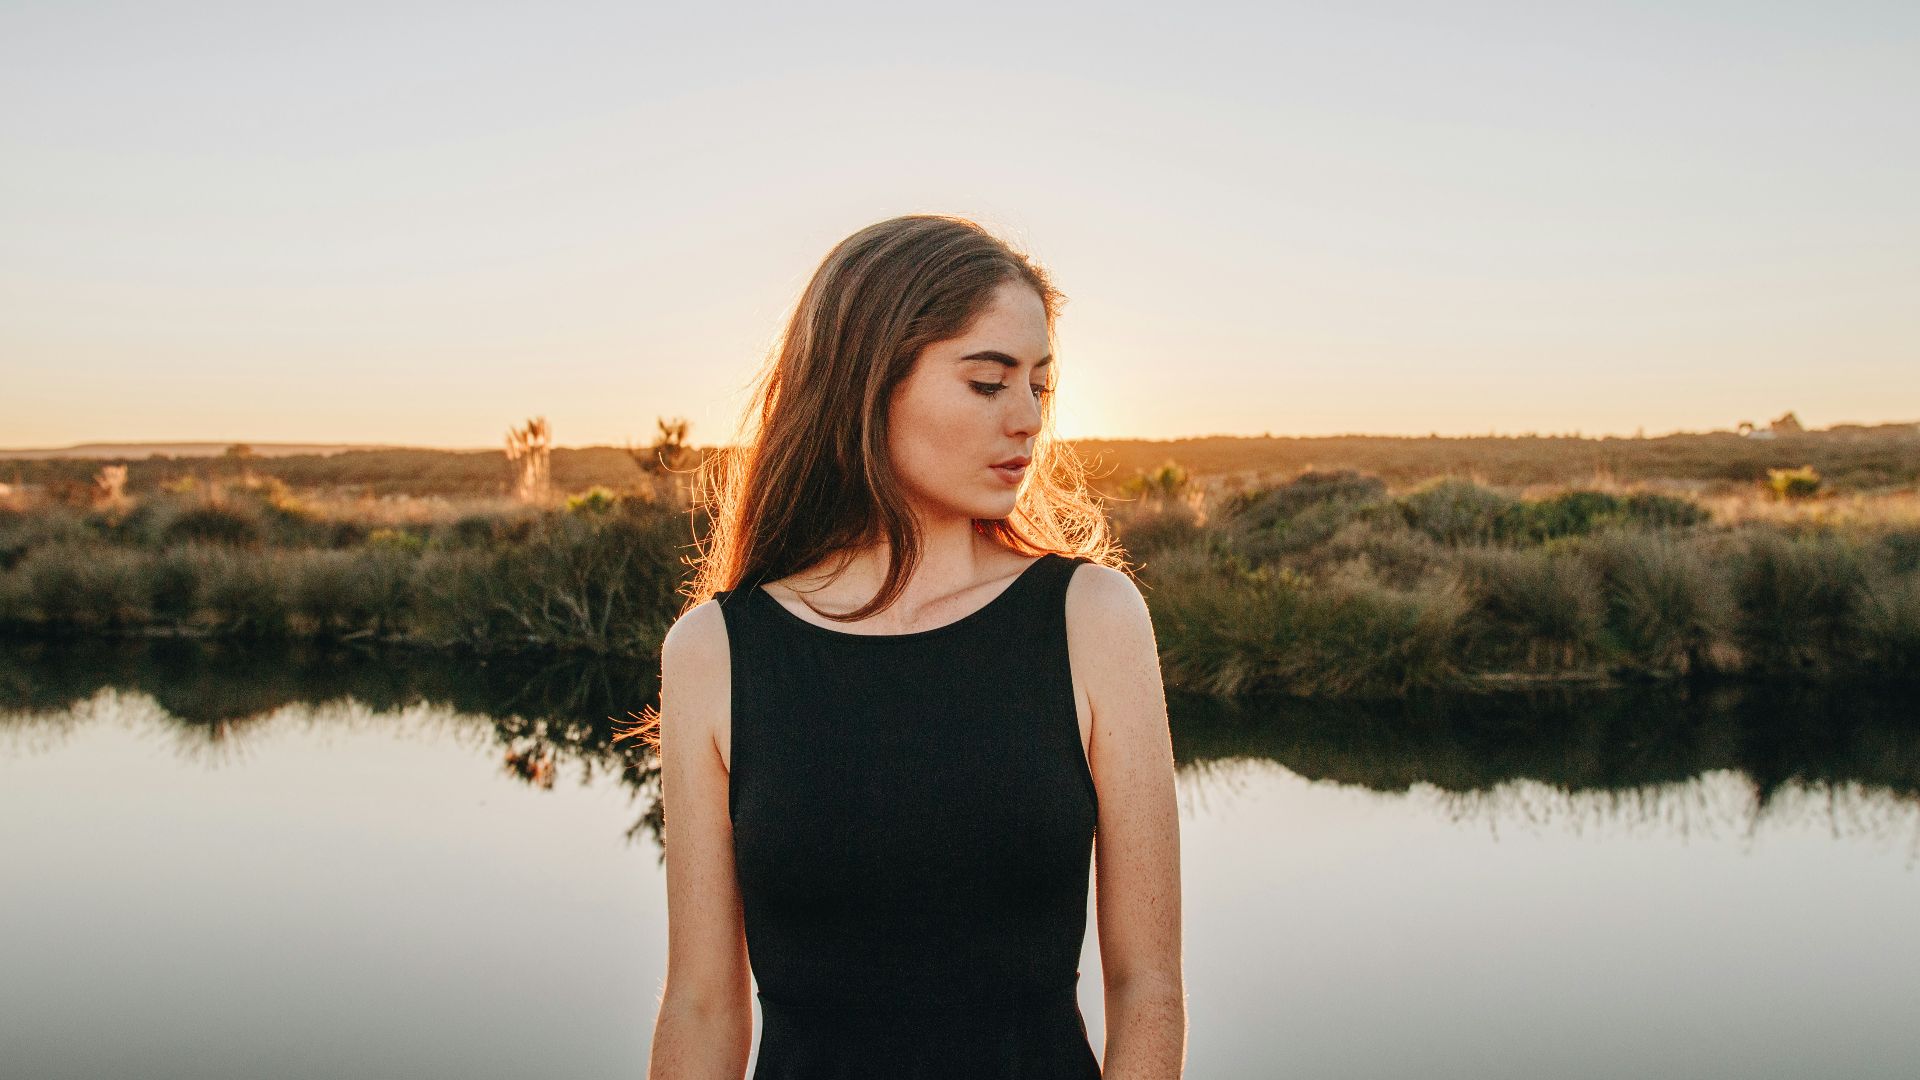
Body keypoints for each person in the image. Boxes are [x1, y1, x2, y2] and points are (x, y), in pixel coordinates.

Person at [638, 214, 1184, 1078]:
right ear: (867, 382)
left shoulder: (1092, 618)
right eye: (988, 383)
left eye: (1040, 386)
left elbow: (1146, 985)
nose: (1027, 419)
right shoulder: (716, 650)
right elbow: (701, 1005)